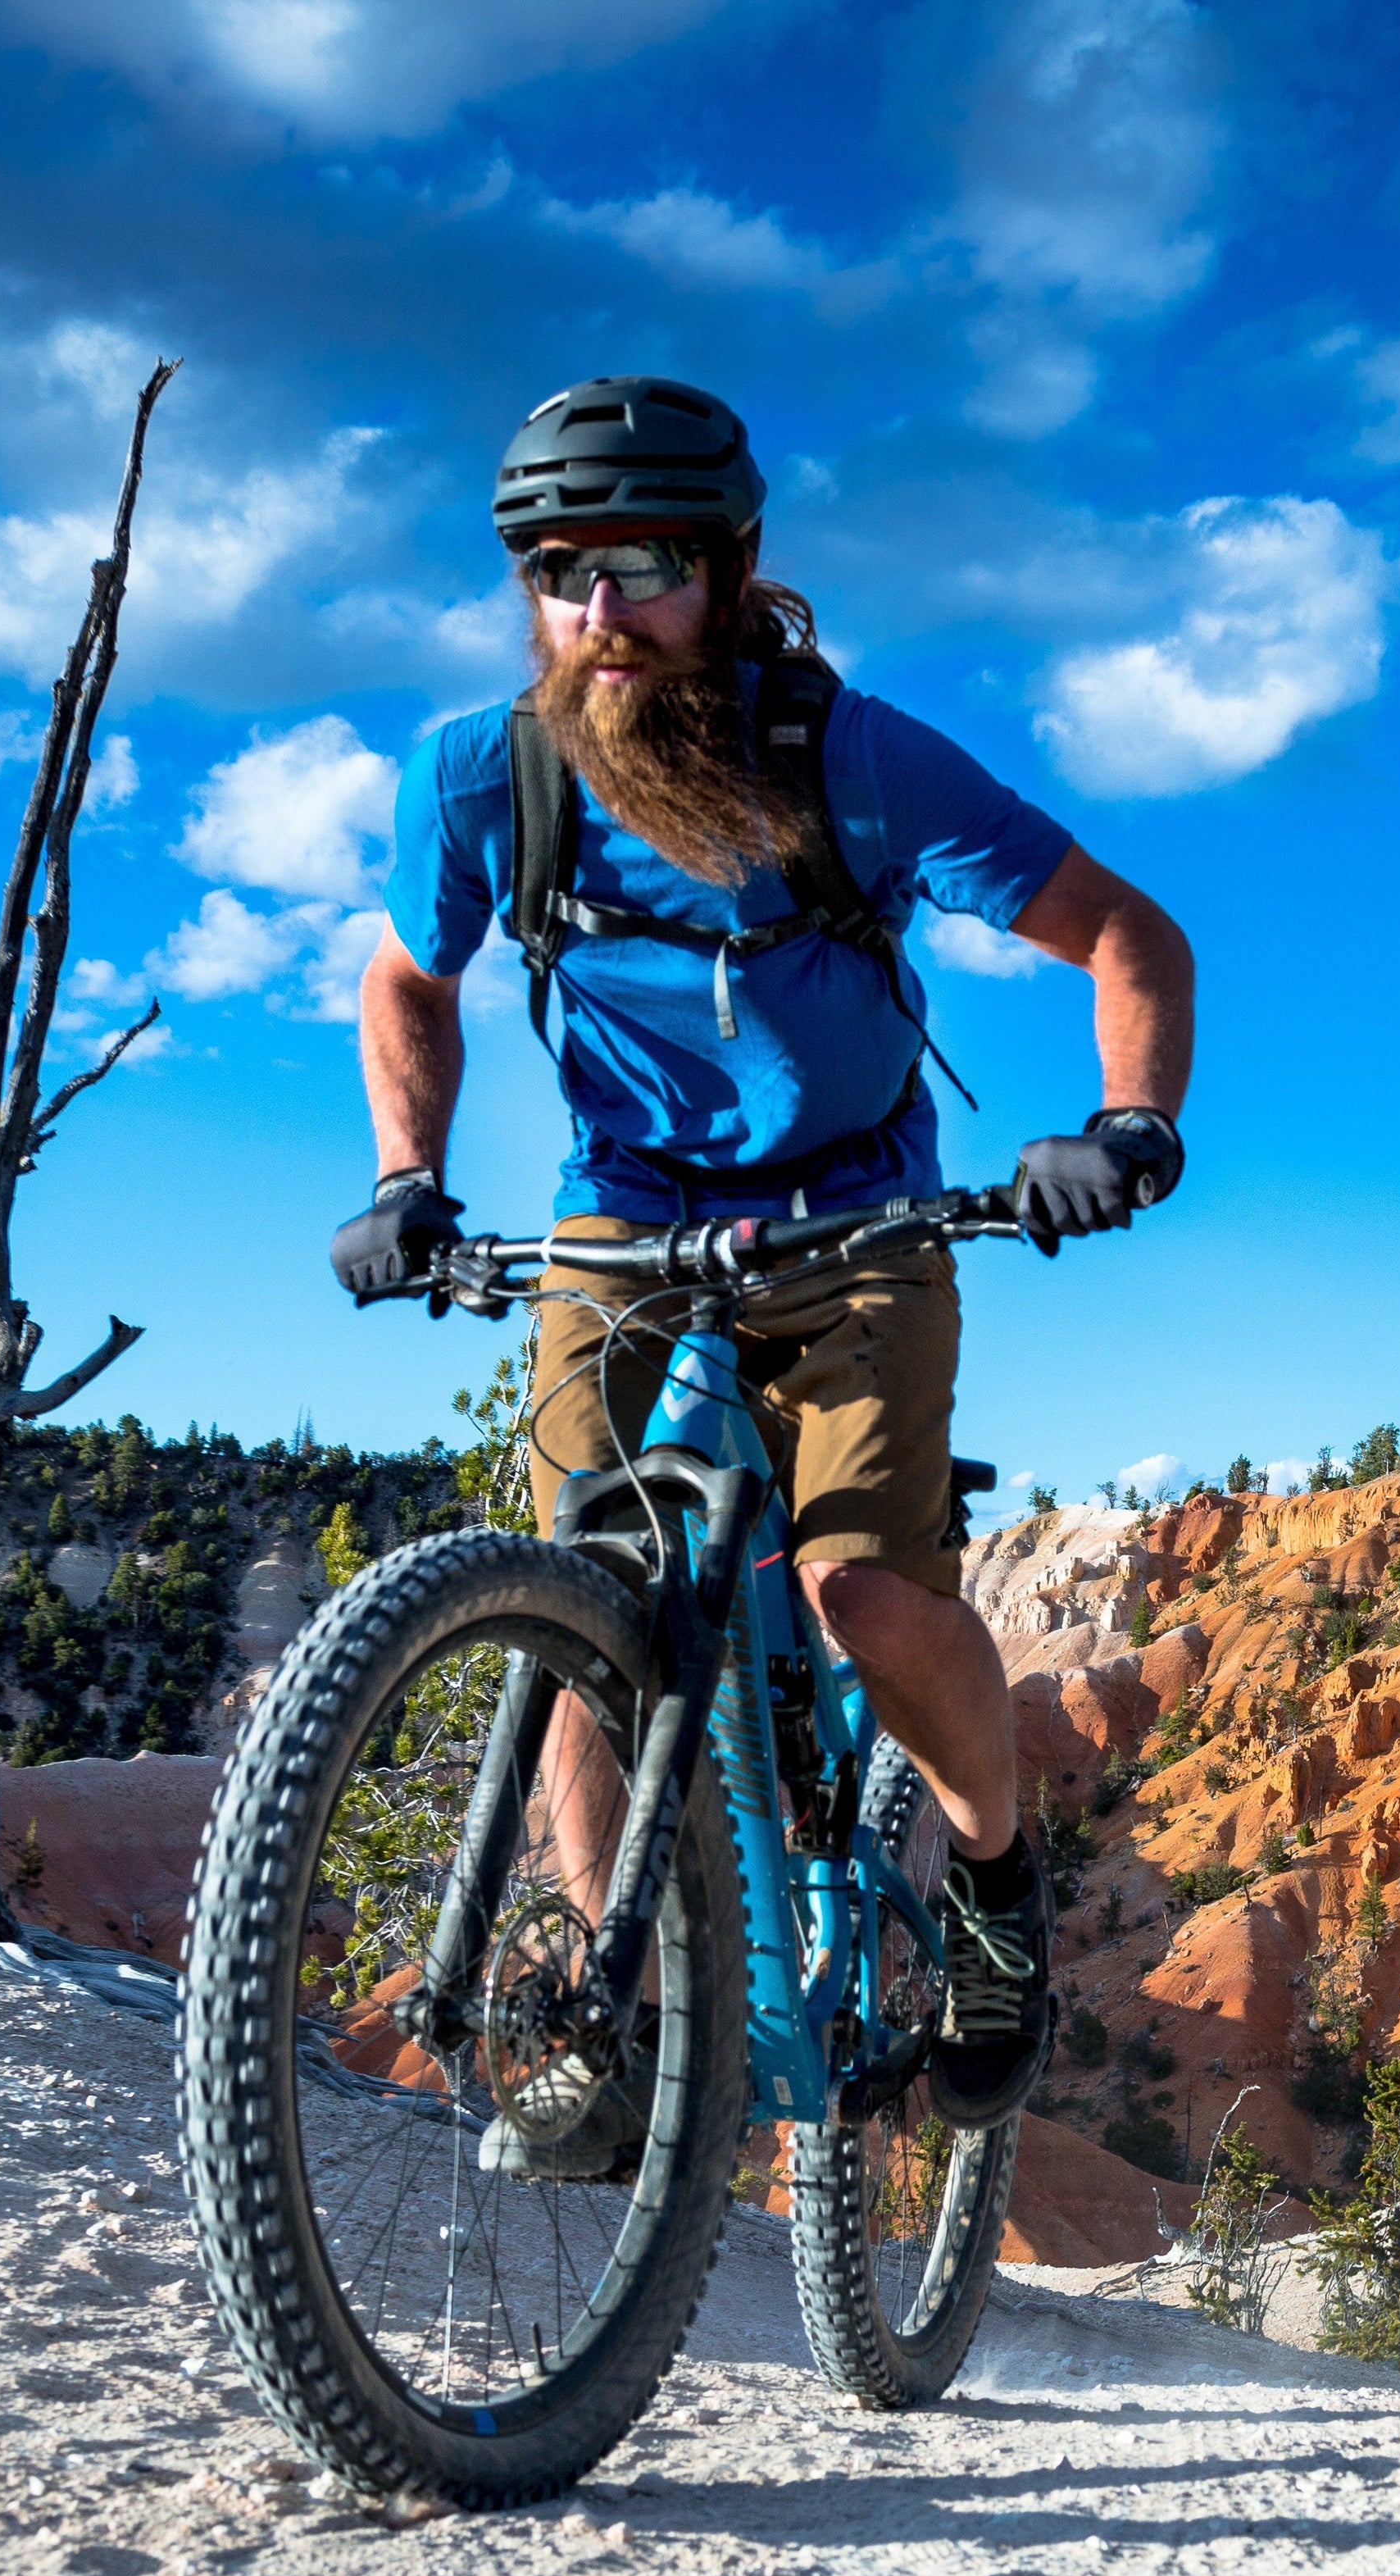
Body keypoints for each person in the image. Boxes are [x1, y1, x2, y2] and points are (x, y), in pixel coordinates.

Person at [332, 375, 1194, 2155]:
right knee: (588, 1595)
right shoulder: (481, 773)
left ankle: (985, 1876)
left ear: (725, 571)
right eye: (559, 570)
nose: (601, 609)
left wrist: (1124, 1126)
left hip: (859, 1214)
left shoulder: (853, 758)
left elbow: (1123, 929)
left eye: (642, 564)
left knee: (863, 1592)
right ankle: (604, 1997)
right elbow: (410, 975)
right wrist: (405, 1173)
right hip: (618, 1217)